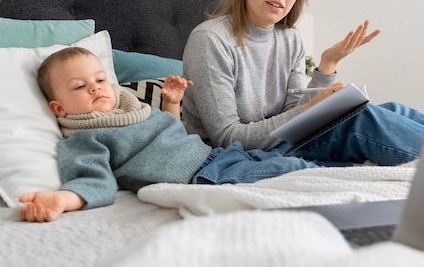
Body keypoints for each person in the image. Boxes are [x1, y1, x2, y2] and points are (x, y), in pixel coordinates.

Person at [182, 0, 424, 166]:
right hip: (237, 155)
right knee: (362, 120)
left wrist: (328, 65)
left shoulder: (290, 38)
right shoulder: (210, 40)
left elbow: (295, 113)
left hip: (282, 142)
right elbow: (226, 137)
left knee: (393, 110)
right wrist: (311, 108)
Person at [19, 47, 319, 222]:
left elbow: (172, 132)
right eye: (79, 86)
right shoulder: (85, 138)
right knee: (290, 170)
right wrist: (63, 199)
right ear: (58, 108)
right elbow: (93, 180)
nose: (95, 87)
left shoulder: (132, 108)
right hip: (205, 175)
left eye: (99, 79)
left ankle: (330, 172)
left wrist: (170, 104)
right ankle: (330, 181)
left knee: (287, 155)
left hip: (216, 154)